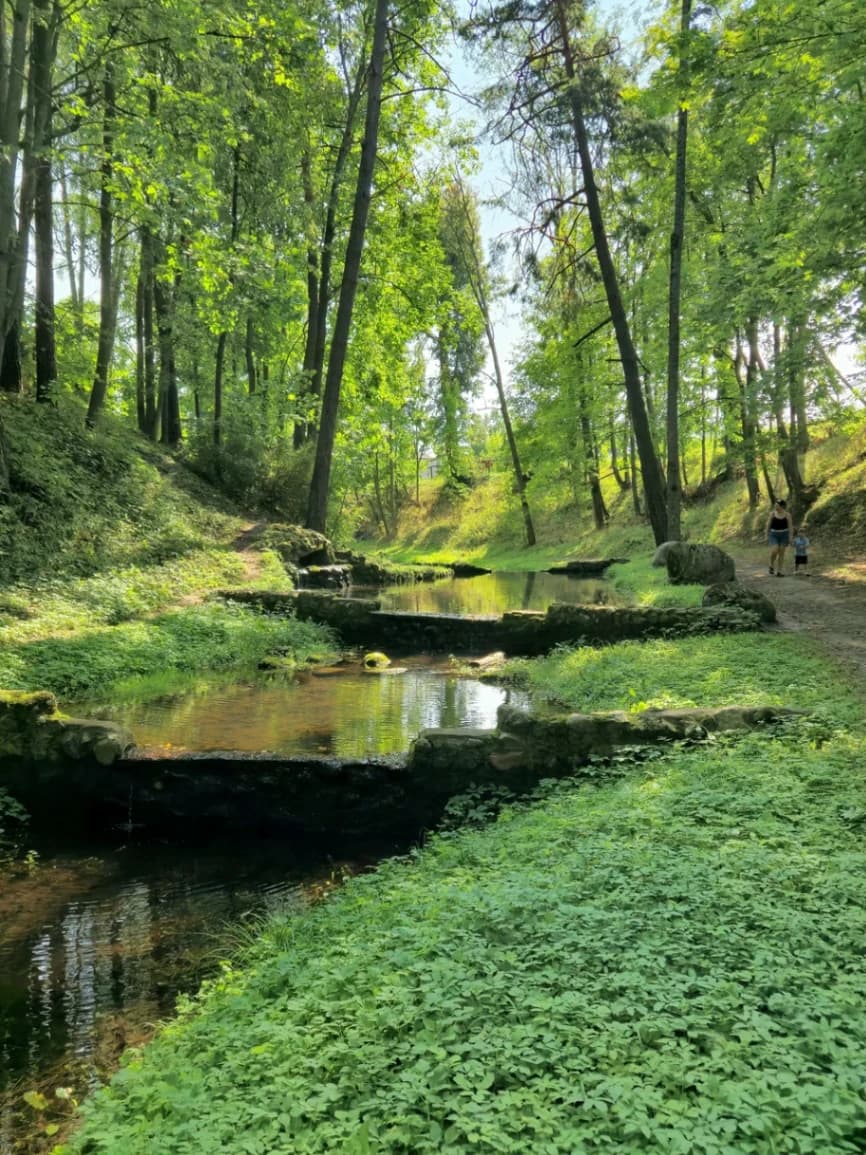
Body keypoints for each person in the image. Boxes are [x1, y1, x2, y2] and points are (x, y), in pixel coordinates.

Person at [767, 498, 793, 576]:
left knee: (781, 553)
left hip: (784, 535)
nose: (775, 506)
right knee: (775, 550)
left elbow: (790, 527)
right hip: (773, 534)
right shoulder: (772, 514)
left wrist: (790, 537)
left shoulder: (787, 515)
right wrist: (766, 534)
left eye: (777, 505)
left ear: (782, 506)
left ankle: (779, 571)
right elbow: (768, 525)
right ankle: (771, 565)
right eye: (775, 505)